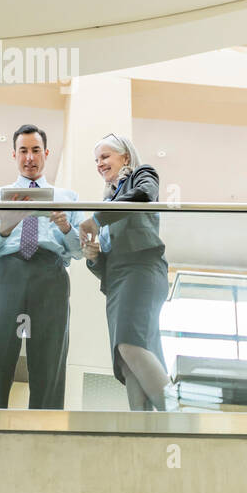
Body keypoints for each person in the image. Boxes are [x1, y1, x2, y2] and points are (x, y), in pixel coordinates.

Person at [0, 124, 80, 409]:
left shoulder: (67, 198)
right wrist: (4, 230)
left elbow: (80, 249)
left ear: (46, 154)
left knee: (50, 358)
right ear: (14, 155)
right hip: (5, 274)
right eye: (23, 151)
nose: (29, 157)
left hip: (50, 274)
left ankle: (44, 433)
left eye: (35, 150)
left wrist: (66, 226)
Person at [78, 133, 177, 411]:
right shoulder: (108, 201)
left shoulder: (142, 176)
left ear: (126, 157)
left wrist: (97, 219)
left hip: (142, 270)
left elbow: (144, 196)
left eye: (105, 156)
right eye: (96, 159)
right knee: (126, 359)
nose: (100, 163)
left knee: (130, 346)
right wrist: (94, 257)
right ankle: (142, 430)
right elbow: (108, 266)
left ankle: (179, 416)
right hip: (118, 282)